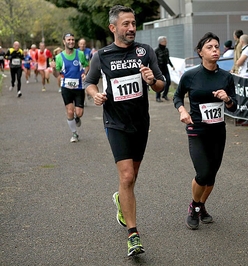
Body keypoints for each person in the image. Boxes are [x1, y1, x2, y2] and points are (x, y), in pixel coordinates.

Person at [84, 5, 165, 257]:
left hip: (140, 123)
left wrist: (152, 80)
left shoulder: (146, 51)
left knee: (132, 176)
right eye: (126, 24)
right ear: (113, 28)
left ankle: (121, 200)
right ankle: (133, 235)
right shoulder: (102, 55)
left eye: (133, 23)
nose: (131, 28)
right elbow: (89, 81)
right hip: (115, 122)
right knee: (127, 176)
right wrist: (95, 94)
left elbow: (161, 85)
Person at [173, 32, 237, 230]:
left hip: (218, 132)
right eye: (210, 47)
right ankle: (194, 206)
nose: (215, 50)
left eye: (217, 47)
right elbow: (177, 96)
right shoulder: (191, 75)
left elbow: (234, 107)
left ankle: (200, 206)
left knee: (211, 176)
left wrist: (227, 99)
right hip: (197, 130)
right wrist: (182, 110)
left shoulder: (226, 77)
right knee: (203, 173)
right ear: (200, 52)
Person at [50, 33, 89, 143]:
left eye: (72, 39)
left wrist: (85, 73)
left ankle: (77, 118)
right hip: (66, 87)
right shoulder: (59, 57)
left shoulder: (80, 54)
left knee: (79, 112)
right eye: (69, 40)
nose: (71, 41)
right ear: (64, 42)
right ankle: (74, 134)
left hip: (79, 87)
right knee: (70, 111)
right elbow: (57, 74)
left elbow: (87, 65)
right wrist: (53, 69)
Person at [154, 36, 175, 102]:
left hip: (165, 67)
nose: (166, 42)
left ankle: (165, 94)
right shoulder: (156, 50)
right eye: (165, 41)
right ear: (161, 42)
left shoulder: (166, 50)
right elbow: (154, 60)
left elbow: (168, 58)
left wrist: (172, 65)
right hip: (159, 68)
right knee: (159, 82)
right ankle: (158, 97)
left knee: (168, 81)